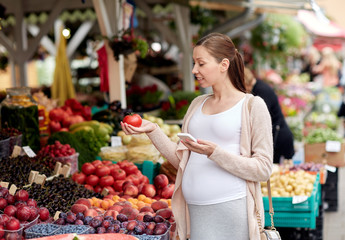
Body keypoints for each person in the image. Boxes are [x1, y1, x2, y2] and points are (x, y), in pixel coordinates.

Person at [121, 33, 273, 240]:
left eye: (201, 64)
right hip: (194, 211)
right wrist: (153, 130)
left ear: (224, 64)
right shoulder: (196, 105)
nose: (194, 70)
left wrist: (216, 153)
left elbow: (263, 169)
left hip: (231, 210)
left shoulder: (252, 106)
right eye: (194, 63)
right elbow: (182, 161)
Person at [244, 68, 295, 164]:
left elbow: (260, 119)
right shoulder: (259, 86)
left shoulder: (261, 91)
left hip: (279, 139)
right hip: (279, 135)